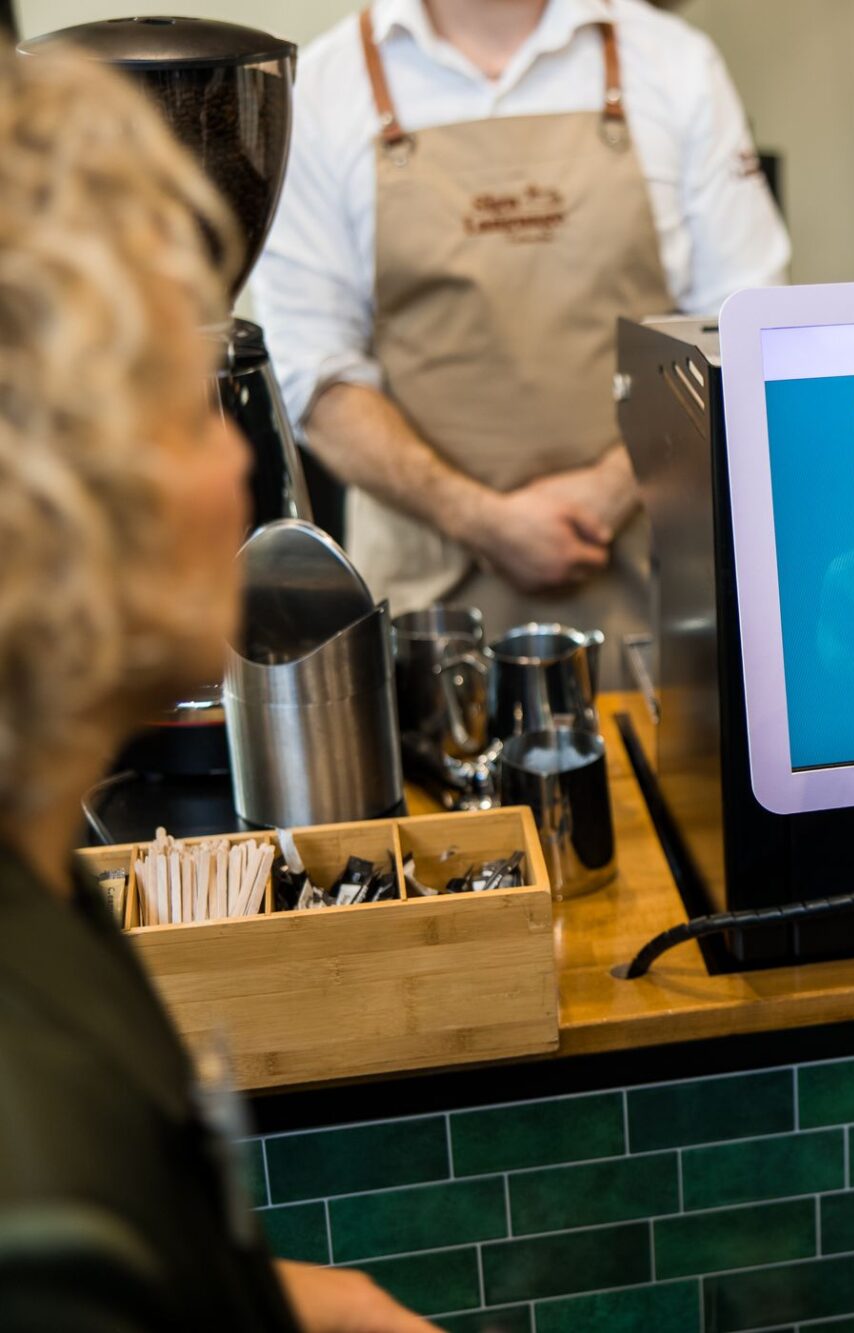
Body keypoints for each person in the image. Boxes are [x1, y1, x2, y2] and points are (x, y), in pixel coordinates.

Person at [0, 51, 434, 1332]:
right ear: (63, 511)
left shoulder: (39, 874)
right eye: (197, 418)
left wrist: (300, 1303)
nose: (241, 473)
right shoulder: (42, 1208)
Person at [250, 0, 788, 674]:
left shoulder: (675, 64)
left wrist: (613, 488)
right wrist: (480, 520)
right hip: (429, 631)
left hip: (663, 605)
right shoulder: (325, 92)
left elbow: (746, 327)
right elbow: (313, 377)